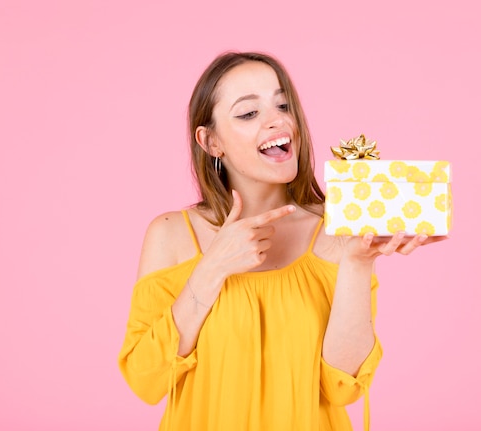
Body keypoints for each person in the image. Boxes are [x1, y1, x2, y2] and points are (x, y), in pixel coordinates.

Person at [118, 51, 442, 431]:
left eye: (283, 104)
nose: (277, 120)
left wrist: (357, 263)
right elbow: (145, 378)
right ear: (211, 142)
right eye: (248, 113)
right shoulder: (171, 235)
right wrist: (212, 268)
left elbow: (341, 389)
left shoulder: (339, 231)